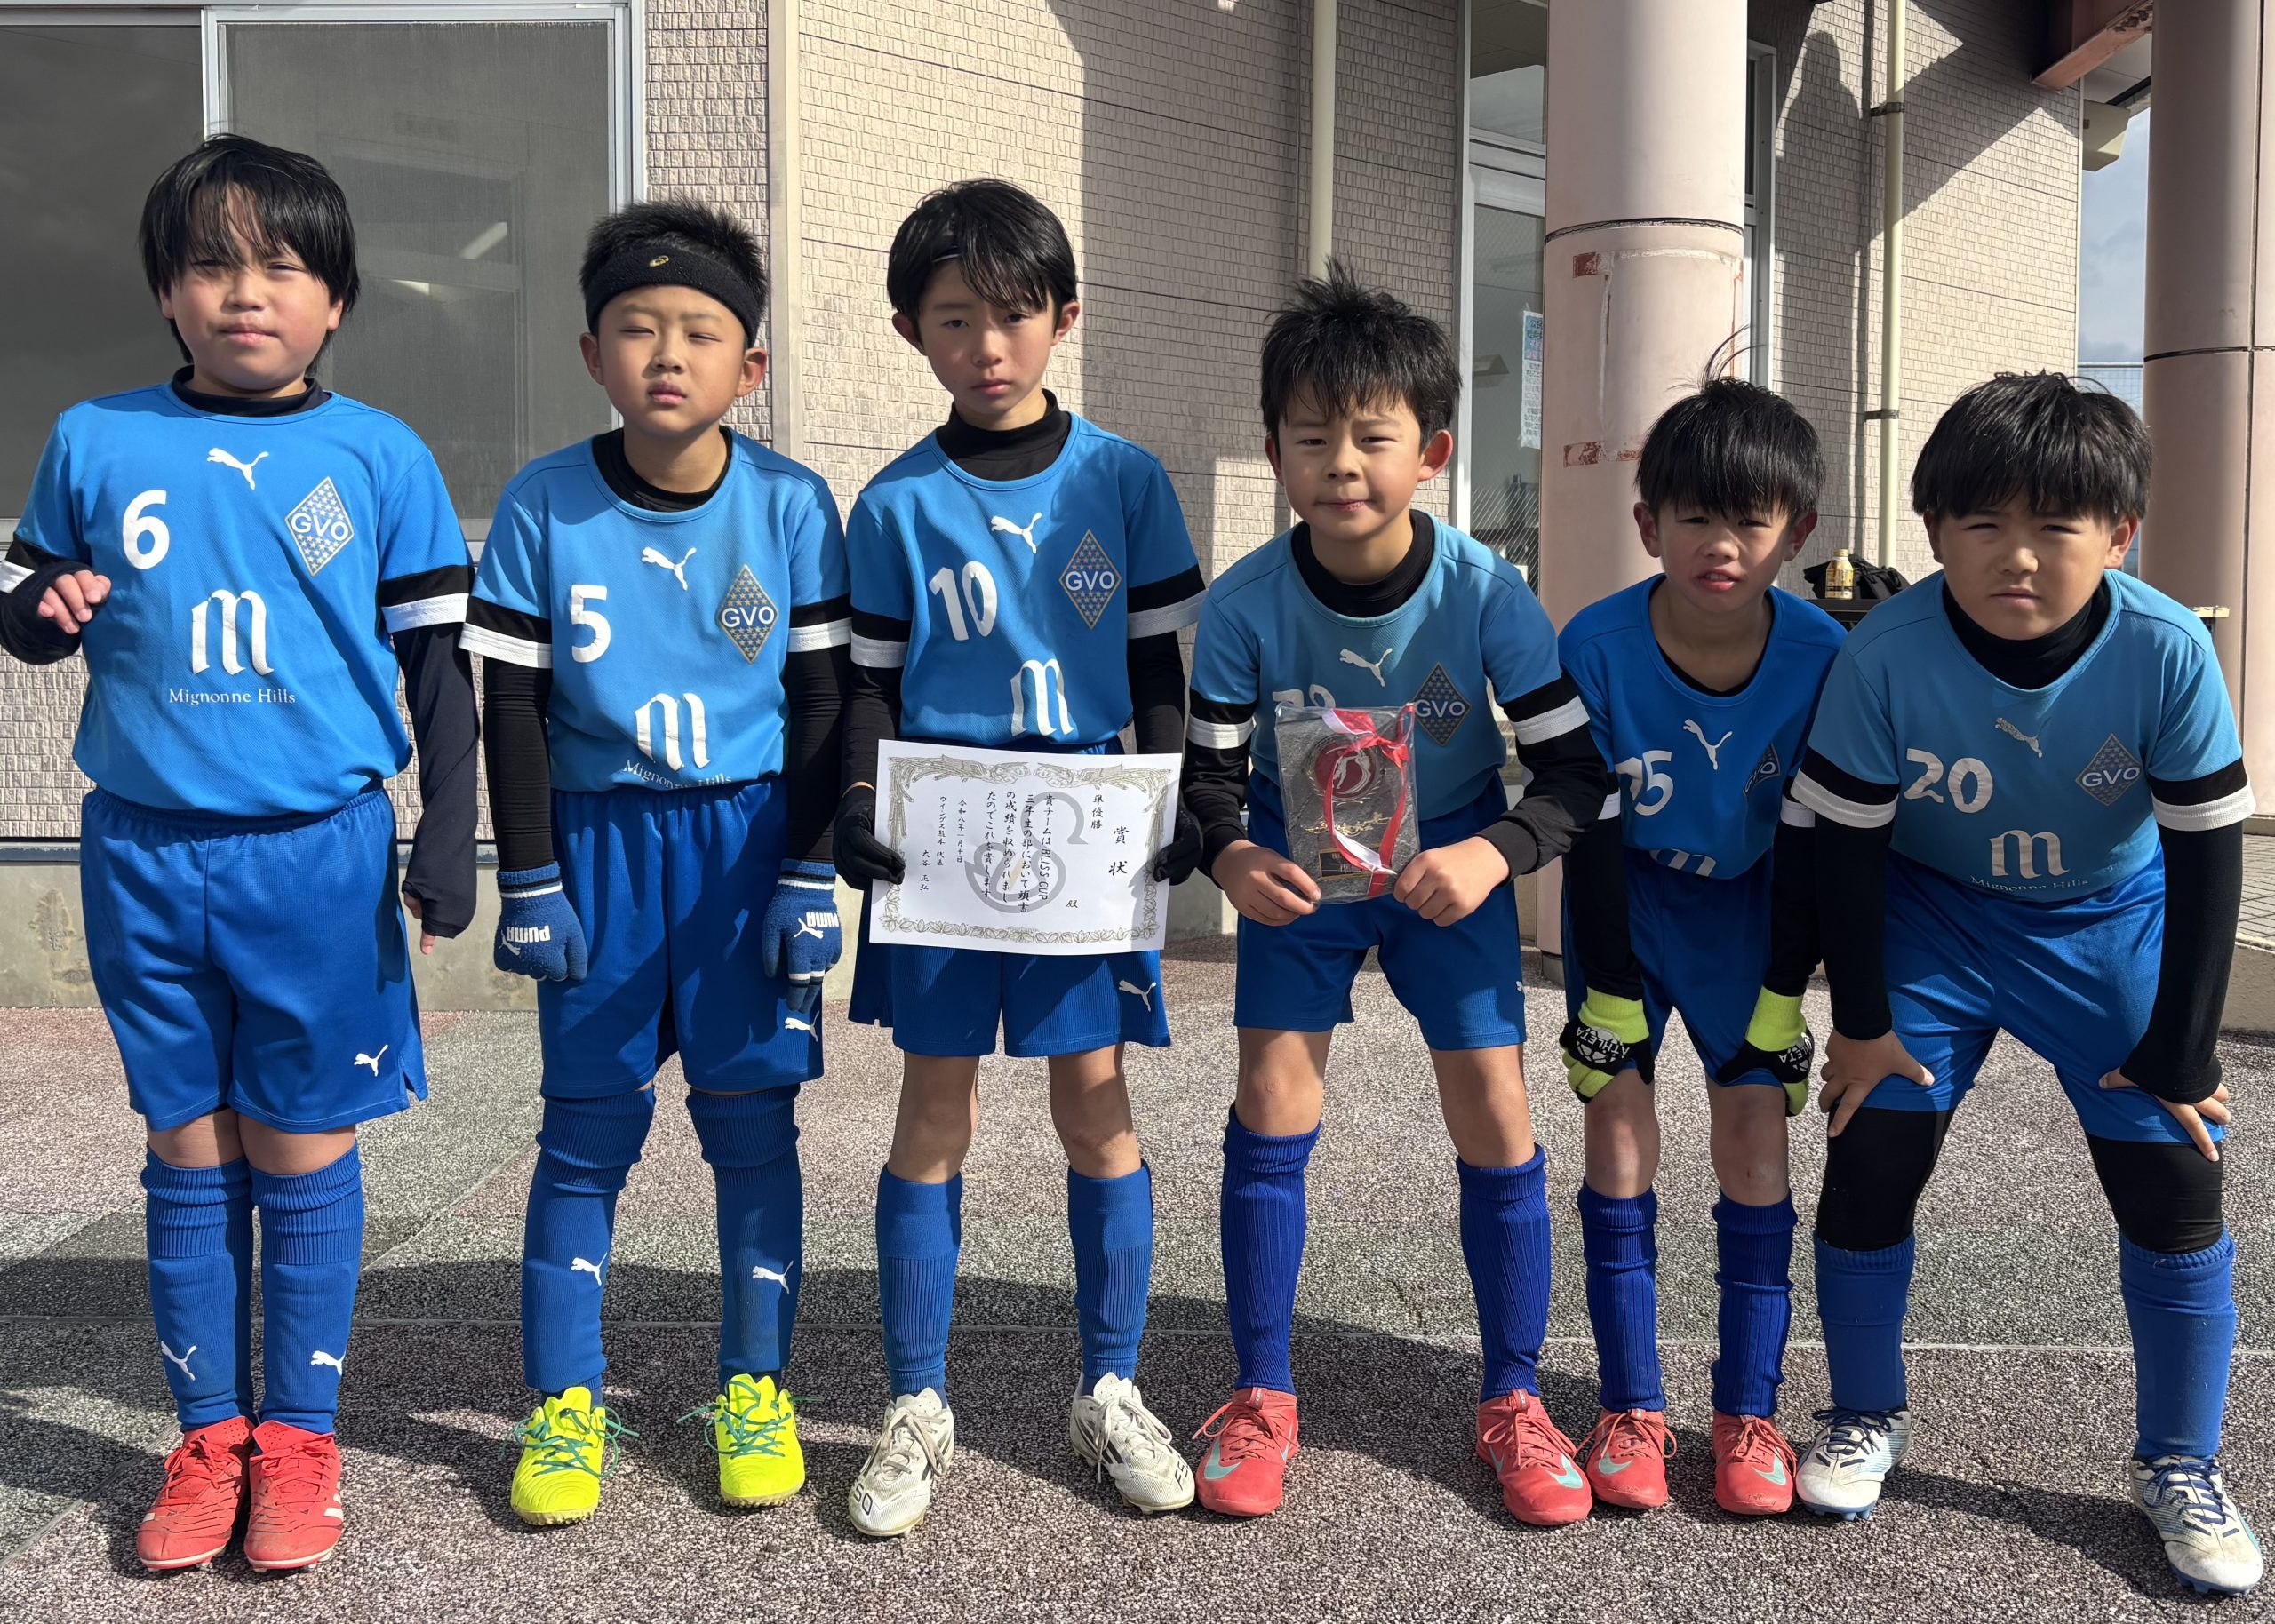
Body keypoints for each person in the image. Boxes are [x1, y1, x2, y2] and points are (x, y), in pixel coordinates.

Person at [0, 134, 477, 1572]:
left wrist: (450, 830)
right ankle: (208, 1436)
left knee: (301, 1138)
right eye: (211, 263)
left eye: (281, 265)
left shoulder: (377, 456)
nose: (245, 291)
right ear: (166, 290)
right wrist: (42, 611)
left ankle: (301, 1439)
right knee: (188, 1142)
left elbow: (437, 665)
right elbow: (26, 599)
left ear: (337, 298)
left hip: (313, 855)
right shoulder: (96, 439)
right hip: (145, 850)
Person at [1791, 373, 2260, 1596]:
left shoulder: (2164, 649)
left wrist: (2185, 1047)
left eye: (2057, 525)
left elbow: (2210, 858)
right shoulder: (1884, 652)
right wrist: (1863, 1022)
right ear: (1933, 529)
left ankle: (2181, 1461)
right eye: (1983, 523)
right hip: (1936, 916)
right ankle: (1863, 1412)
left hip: (2104, 921)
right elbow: (1844, 849)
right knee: (1871, 1148)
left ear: (2119, 534)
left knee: (2174, 1179)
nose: (2018, 556)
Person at [1178, 261, 1609, 1525]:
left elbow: (1576, 776)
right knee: (1271, 1094)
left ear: (1432, 452)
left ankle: (1515, 1397)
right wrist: (1229, 856)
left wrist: (1493, 853)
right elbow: (1206, 782)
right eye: (1312, 438)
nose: (1341, 465)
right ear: (1274, 452)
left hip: (1446, 865)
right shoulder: (1245, 604)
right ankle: (1262, 1393)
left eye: (1372, 437)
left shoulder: (1486, 595)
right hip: (1300, 867)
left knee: (1494, 1103)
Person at [461, 200, 849, 1525]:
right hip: (601, 843)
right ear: (592, 353)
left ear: (752, 365)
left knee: (752, 1129)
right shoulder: (543, 503)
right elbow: (511, 705)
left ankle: (757, 1387)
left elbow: (823, 701)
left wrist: (810, 871)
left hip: (746, 844)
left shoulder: (791, 505)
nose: (667, 354)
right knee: (583, 1136)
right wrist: (528, 876)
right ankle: (565, 1403)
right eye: (636, 328)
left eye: (700, 331)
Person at [829, 179, 1207, 1535]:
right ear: (909, 331)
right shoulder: (894, 503)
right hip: (946, 828)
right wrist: (857, 798)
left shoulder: (1123, 479)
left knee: (1095, 1104)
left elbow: (1158, 662)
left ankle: (1111, 1387)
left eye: (1013, 315)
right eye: (953, 320)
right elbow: (871, 683)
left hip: (1088, 828)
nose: (987, 346)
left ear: (1065, 317)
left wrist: (1175, 792)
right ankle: (916, 1402)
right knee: (934, 1110)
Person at [1555, 376, 1843, 1516]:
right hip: (1626, 902)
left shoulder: (1823, 654)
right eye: (1692, 518)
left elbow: (1816, 843)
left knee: (1756, 1136)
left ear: (1796, 532)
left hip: (1751, 912)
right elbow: (1587, 831)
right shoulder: (1595, 644)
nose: (1719, 545)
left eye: (1750, 521)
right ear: (1648, 524)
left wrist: (1785, 989)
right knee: (1617, 1127)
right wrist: (1606, 988)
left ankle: (1746, 1414)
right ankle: (1629, 1405)